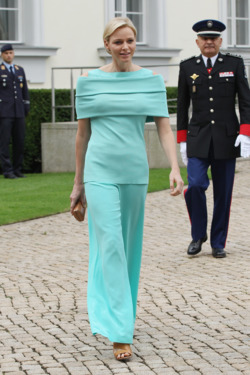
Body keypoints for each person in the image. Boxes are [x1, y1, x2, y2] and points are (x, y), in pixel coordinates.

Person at [70, 17, 184, 360]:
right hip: (99, 172)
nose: (125, 47)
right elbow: (82, 135)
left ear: (136, 43)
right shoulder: (88, 82)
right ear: (107, 45)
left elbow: (164, 129)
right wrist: (78, 184)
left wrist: (175, 168)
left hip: (135, 173)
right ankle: (121, 333)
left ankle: (118, 313)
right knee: (111, 246)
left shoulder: (151, 81)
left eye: (130, 41)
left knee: (129, 248)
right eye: (118, 41)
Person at [177, 19, 250, 258]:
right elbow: (181, 106)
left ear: (220, 41)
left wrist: (246, 133)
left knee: (224, 193)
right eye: (204, 38)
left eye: (213, 38)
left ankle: (218, 242)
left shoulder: (235, 64)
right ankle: (198, 235)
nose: (209, 42)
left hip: (227, 138)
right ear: (197, 42)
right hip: (198, 138)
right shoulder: (187, 67)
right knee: (195, 185)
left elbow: (245, 101)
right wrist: (182, 140)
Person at [0, 43, 30, 178]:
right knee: (4, 142)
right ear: (2, 55)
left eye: (10, 53)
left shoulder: (19, 70)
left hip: (19, 111)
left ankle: (18, 169)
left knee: (20, 141)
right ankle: (7, 170)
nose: (9, 55)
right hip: (4, 112)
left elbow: (24, 91)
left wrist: (26, 106)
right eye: (6, 53)